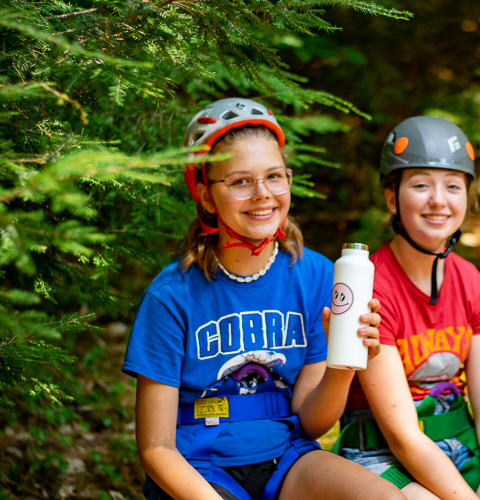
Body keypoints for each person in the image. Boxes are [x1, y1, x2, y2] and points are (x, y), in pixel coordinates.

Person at [122, 98, 406, 500]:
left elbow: (311, 422)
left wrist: (344, 367)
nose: (263, 194)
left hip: (287, 458)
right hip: (197, 468)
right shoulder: (172, 295)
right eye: (240, 181)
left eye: (274, 176)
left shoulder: (318, 275)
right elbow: (156, 449)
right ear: (206, 196)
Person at [336, 116, 480, 500]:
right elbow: (403, 436)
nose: (438, 200)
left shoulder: (470, 281)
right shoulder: (369, 287)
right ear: (392, 197)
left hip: (459, 445)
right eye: (421, 184)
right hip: (383, 455)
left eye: (453, 186)